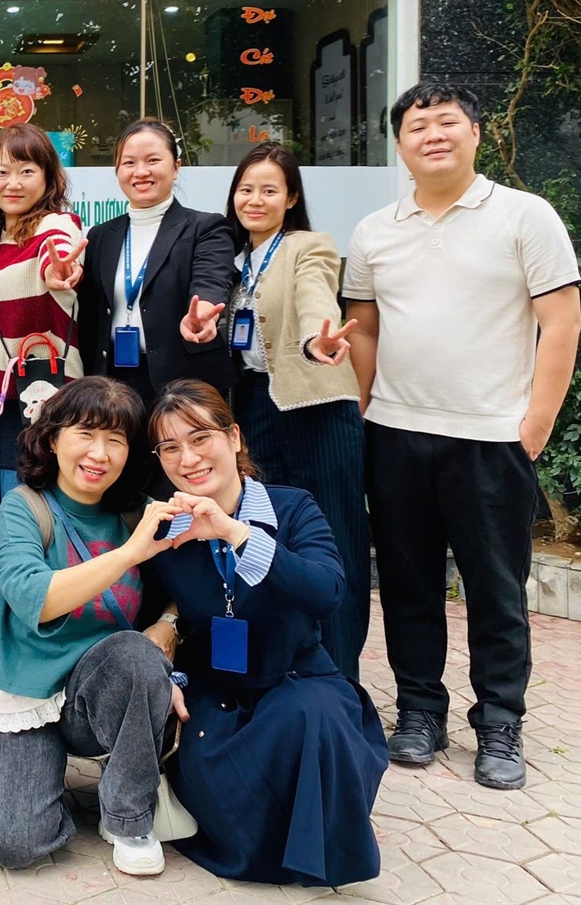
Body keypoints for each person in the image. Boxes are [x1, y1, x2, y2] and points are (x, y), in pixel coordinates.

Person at [343, 83, 581, 790]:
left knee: (495, 589)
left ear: (477, 133)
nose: (433, 135)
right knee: (408, 584)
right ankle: (420, 710)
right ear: (400, 145)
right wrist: (362, 410)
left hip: (491, 438)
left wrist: (535, 424)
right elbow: (365, 328)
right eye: (417, 126)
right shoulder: (375, 230)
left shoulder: (524, 216)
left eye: (448, 122)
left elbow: (561, 321)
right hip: (396, 433)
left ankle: (501, 722)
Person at [147, 379, 389, 885]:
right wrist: (164, 653)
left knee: (313, 718)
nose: (188, 459)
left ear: (234, 437)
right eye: (170, 448)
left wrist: (236, 533)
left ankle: (320, 849)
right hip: (217, 697)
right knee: (216, 763)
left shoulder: (293, 508)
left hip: (294, 681)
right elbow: (150, 614)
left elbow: (327, 591)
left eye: (200, 438)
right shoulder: (165, 531)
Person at [0, 377, 182, 877]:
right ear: (52, 438)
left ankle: (128, 817)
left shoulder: (134, 513)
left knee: (136, 654)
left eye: (116, 439)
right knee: (13, 844)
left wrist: (169, 621)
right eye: (85, 433)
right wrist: (129, 554)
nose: (99, 454)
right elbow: (35, 600)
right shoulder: (24, 507)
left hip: (98, 693)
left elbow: (187, 582)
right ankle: (16, 782)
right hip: (25, 692)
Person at [217, 143, 369, 680]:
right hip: (253, 407)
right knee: (271, 539)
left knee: (335, 542)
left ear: (291, 197)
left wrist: (315, 341)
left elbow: (314, 298)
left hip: (315, 407)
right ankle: (288, 670)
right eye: (246, 189)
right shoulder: (230, 262)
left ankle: (341, 676)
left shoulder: (309, 246)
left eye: (269, 190)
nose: (254, 200)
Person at [56, 118, 237, 409]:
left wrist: (203, 315)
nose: (141, 172)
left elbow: (211, 281)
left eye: (153, 160)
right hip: (112, 383)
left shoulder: (205, 228)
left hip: (182, 386)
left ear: (176, 167)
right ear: (117, 171)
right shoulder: (101, 236)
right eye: (129, 162)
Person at [0, 123, 84, 506]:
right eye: (2, 172)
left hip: (41, 402)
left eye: (27, 171)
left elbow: (59, 257)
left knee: (27, 517)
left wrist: (60, 272)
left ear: (47, 178)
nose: (13, 183)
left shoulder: (55, 226)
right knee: (6, 512)